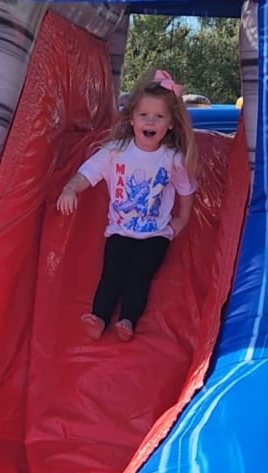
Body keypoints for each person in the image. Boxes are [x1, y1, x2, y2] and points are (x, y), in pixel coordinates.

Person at [56, 68, 197, 342]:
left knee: (138, 278)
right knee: (112, 273)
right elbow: (87, 174)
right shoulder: (116, 152)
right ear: (132, 119)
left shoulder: (172, 158)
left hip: (155, 234)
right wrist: (70, 188)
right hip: (119, 230)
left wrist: (183, 218)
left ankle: (128, 320)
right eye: (144, 115)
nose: (150, 121)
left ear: (170, 124)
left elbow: (185, 189)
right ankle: (98, 316)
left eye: (159, 117)